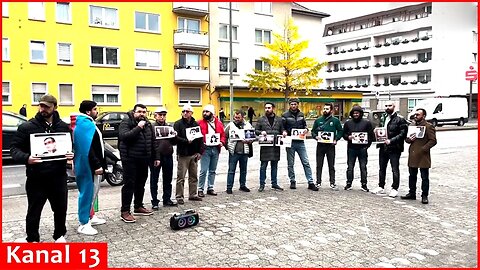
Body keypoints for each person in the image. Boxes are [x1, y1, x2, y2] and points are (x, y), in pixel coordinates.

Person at [10, 94, 73, 243]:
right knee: (34, 210)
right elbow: (14, 148)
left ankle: (59, 235)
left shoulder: (63, 127)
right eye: (41, 106)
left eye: (47, 107)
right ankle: (32, 238)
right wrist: (27, 158)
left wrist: (71, 153)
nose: (42, 109)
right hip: (36, 177)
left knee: (60, 209)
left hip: (58, 176)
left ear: (55, 107)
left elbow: (71, 146)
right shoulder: (27, 127)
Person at [118, 104, 156, 223]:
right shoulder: (126, 122)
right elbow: (124, 137)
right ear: (134, 112)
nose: (142, 114)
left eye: (144, 112)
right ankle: (125, 211)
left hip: (144, 159)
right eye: (139, 112)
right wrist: (138, 128)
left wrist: (155, 157)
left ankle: (138, 206)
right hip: (130, 159)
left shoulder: (148, 124)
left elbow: (153, 141)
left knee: (141, 184)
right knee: (129, 185)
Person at [74, 100, 107, 235]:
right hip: (88, 166)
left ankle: (91, 216)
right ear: (88, 111)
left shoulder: (87, 123)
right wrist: (97, 165)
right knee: (87, 193)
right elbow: (88, 149)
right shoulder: (84, 125)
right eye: (95, 109)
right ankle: (83, 223)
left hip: (91, 165)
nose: (97, 112)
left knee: (93, 192)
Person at [370, 101, 408, 197]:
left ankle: (395, 188)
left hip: (394, 148)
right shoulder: (383, 118)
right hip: (383, 146)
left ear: (394, 107)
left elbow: (403, 134)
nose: (387, 107)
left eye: (389, 106)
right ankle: (381, 186)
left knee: (394, 168)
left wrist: (391, 140)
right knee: (382, 168)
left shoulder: (400, 119)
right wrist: (376, 130)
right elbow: (381, 129)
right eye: (386, 106)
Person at [281, 98, 318, 191]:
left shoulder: (301, 114)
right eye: (292, 104)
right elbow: (282, 127)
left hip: (300, 141)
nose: (293, 106)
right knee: (290, 163)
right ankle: (292, 180)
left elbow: (305, 125)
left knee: (306, 162)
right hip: (290, 142)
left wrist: (306, 129)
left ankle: (310, 182)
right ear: (289, 105)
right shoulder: (285, 115)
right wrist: (284, 131)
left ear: (298, 105)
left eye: (295, 104)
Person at [401, 108, 437, 204]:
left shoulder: (428, 126)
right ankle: (411, 193)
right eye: (415, 114)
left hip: (423, 156)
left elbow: (433, 141)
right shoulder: (412, 125)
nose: (416, 116)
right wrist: (408, 139)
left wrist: (423, 149)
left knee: (424, 177)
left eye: (418, 115)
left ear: (423, 116)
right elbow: (407, 139)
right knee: (412, 176)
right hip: (413, 154)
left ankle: (424, 195)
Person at [173, 104, 204, 204]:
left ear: (191, 113)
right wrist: (186, 141)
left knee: (193, 176)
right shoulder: (177, 124)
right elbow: (175, 138)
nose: (185, 113)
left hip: (194, 154)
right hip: (183, 154)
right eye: (183, 111)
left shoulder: (195, 124)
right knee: (181, 177)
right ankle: (179, 196)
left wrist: (200, 152)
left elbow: (200, 139)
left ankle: (193, 194)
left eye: (187, 111)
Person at [150, 106, 177, 209]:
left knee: (168, 179)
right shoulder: (151, 127)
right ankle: (155, 202)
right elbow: (152, 143)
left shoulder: (169, 126)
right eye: (160, 115)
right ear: (155, 116)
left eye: (164, 115)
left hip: (168, 156)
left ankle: (167, 199)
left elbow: (174, 142)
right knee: (154, 180)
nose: (162, 117)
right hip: (155, 157)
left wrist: (174, 136)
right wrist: (155, 157)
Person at [342, 105, 375, 192]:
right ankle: (349, 183)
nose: (356, 114)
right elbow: (344, 134)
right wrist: (348, 137)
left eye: (357, 113)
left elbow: (371, 136)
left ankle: (364, 184)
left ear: (360, 113)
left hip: (362, 149)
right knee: (350, 167)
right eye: (354, 113)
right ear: (352, 114)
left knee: (363, 167)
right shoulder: (348, 123)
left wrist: (367, 146)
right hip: (351, 148)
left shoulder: (367, 123)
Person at [311, 103, 343, 190]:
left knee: (331, 165)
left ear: (331, 110)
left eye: (327, 109)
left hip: (330, 146)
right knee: (319, 164)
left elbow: (340, 131)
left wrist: (336, 139)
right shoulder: (318, 120)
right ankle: (318, 182)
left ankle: (332, 182)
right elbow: (313, 131)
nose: (325, 110)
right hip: (320, 145)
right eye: (324, 109)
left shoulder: (335, 121)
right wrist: (315, 137)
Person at [197, 104, 226, 197]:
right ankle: (200, 189)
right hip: (205, 149)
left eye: (207, 112)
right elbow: (197, 136)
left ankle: (210, 187)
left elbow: (223, 135)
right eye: (204, 112)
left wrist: (222, 142)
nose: (205, 113)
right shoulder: (200, 123)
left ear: (212, 113)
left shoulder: (219, 123)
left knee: (212, 170)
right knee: (203, 170)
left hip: (216, 148)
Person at [255, 102, 284, 192]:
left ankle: (274, 183)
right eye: (266, 108)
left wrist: (284, 132)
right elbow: (256, 130)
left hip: (275, 145)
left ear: (273, 108)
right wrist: (261, 132)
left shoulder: (279, 119)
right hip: (265, 146)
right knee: (263, 165)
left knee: (274, 165)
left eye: (269, 108)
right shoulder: (261, 119)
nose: (267, 109)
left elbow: (282, 129)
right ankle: (262, 184)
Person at [224, 110, 254, 194]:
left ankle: (242, 185)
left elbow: (253, 137)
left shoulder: (248, 125)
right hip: (234, 151)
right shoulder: (230, 125)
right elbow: (224, 135)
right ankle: (229, 187)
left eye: (238, 117)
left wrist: (249, 141)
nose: (236, 119)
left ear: (243, 117)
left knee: (243, 170)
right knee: (231, 170)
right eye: (235, 117)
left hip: (244, 151)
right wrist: (227, 146)